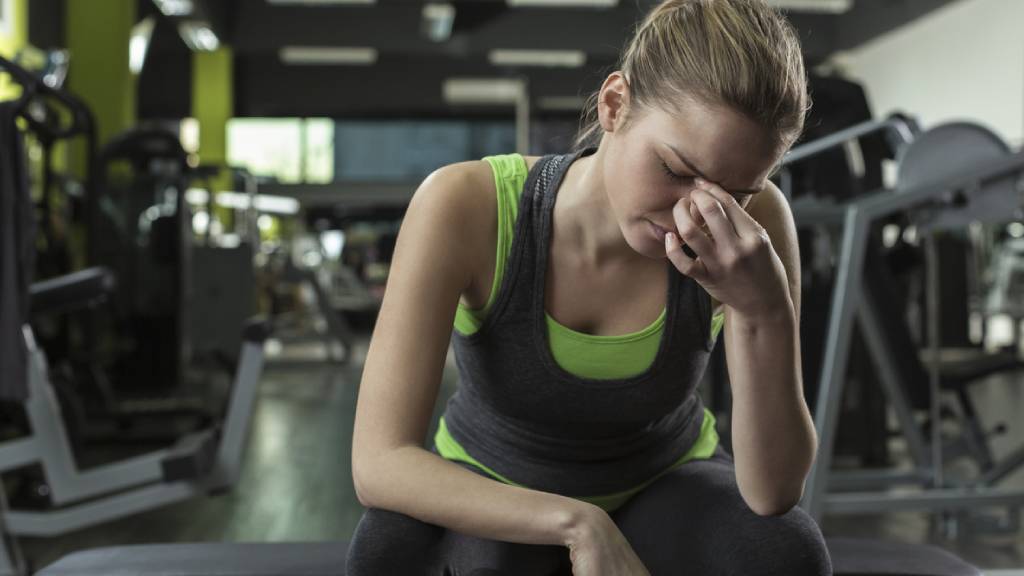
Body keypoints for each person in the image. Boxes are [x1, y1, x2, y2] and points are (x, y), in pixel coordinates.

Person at [347, 0, 832, 574]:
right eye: (676, 171)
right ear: (614, 105)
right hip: (495, 481)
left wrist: (762, 312)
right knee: (389, 552)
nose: (692, 215)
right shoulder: (466, 204)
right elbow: (379, 461)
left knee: (783, 552)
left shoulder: (754, 231)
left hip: (665, 485)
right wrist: (577, 524)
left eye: (736, 193)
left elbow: (773, 492)